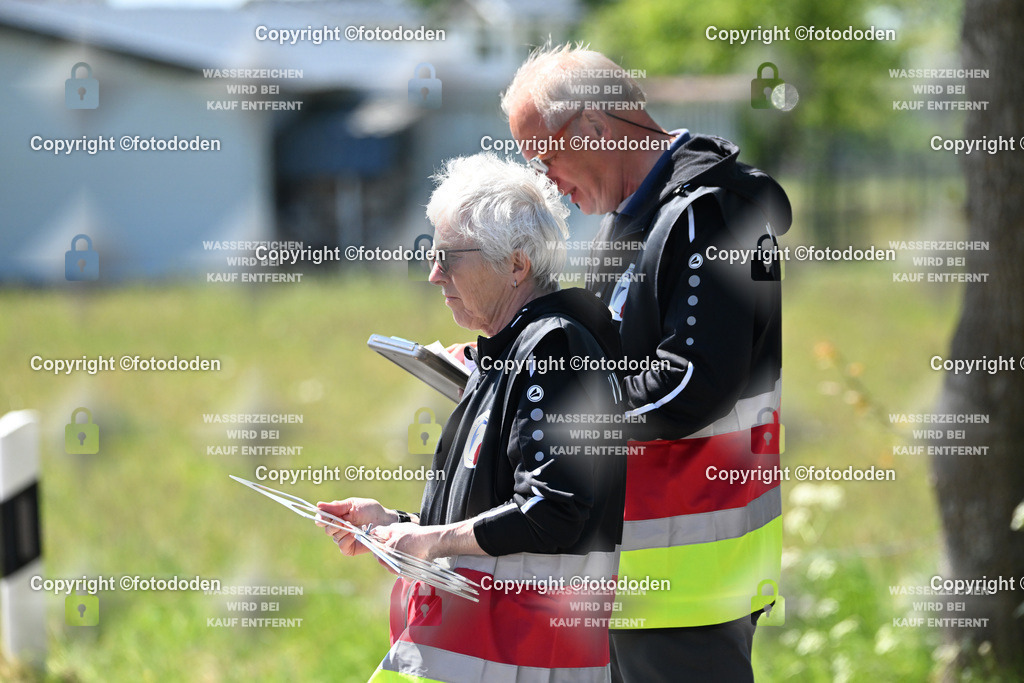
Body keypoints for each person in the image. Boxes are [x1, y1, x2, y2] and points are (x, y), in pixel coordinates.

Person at [503, 44, 792, 682]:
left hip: (692, 573)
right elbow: (607, 360)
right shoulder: (631, 219)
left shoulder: (705, 211)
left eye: (543, 156)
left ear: (596, 128)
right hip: (640, 567)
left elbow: (687, 385)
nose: (545, 180)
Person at [318, 153, 627, 682]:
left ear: (516, 264)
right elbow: (488, 514)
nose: (434, 274)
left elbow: (551, 511)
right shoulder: (506, 349)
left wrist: (431, 542)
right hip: (470, 655)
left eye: (449, 257)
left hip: (519, 660)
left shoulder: (553, 347)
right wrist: (396, 526)